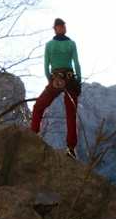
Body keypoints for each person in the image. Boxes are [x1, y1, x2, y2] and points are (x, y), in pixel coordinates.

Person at [30, 17, 82, 158]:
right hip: (70, 79)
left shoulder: (49, 45)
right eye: (62, 26)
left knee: (39, 107)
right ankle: (71, 148)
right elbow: (76, 64)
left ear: (55, 29)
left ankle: (32, 134)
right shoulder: (71, 44)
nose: (62, 28)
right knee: (71, 114)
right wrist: (79, 81)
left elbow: (46, 67)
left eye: (62, 26)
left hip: (56, 79)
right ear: (61, 28)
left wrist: (51, 81)